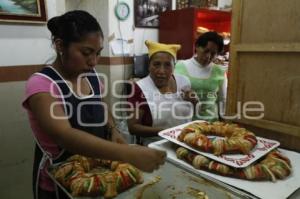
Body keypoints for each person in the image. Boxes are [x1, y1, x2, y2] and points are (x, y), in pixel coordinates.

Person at [22, 10, 166, 199]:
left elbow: (102, 108)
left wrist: (113, 130)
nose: (94, 61)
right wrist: (127, 153)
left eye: (98, 53)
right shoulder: (42, 84)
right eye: (86, 53)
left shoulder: (93, 78)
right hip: (59, 182)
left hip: (97, 175)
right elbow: (65, 135)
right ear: (60, 45)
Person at [127, 40, 196, 146]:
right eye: (156, 64)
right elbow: (133, 127)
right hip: (155, 144)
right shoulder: (140, 88)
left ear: (174, 67)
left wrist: (194, 101)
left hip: (185, 142)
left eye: (167, 65)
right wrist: (166, 132)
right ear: (149, 66)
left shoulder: (184, 82)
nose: (161, 71)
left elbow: (187, 115)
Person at [175, 31, 227, 122]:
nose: (208, 56)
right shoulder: (180, 67)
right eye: (206, 51)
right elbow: (171, 95)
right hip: (185, 122)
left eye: (213, 53)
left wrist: (224, 122)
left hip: (211, 123)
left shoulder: (219, 72)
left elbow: (222, 100)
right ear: (197, 47)